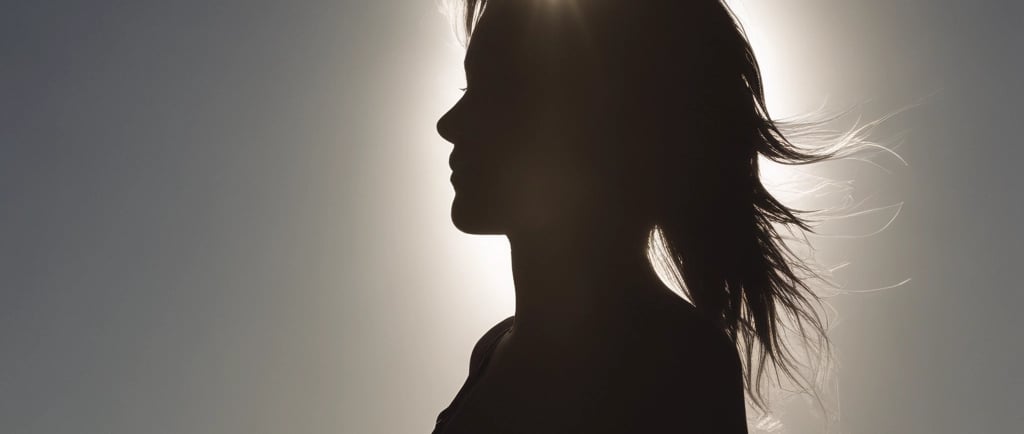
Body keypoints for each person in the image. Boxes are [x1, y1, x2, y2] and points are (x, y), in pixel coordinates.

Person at [434, 0, 832, 432]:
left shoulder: (679, 362)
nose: (448, 123)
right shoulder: (491, 352)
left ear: (598, 125)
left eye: (497, 92)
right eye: (466, 90)